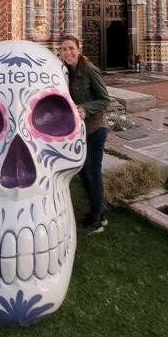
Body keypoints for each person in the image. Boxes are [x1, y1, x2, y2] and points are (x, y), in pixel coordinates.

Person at [60, 35, 111, 234]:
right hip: (79, 131)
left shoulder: (89, 69)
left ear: (79, 49)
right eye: (64, 49)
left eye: (71, 48)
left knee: (93, 172)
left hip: (95, 129)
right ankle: (99, 212)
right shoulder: (65, 71)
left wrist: (84, 109)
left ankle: (97, 220)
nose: (68, 52)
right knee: (83, 172)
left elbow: (105, 99)